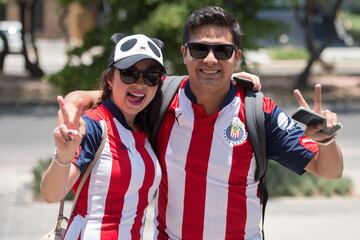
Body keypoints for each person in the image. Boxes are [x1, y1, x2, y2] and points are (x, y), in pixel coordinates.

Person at [59, 6, 343, 240]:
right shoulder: (162, 99)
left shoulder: (259, 111)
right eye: (199, 49)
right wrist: (76, 98)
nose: (210, 59)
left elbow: (329, 170)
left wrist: (326, 138)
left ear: (236, 57)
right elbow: (125, 95)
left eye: (222, 51)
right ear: (184, 53)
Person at [41, 33, 167, 239]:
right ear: (110, 78)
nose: (140, 83)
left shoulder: (144, 126)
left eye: (150, 76)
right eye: (129, 74)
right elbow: (51, 194)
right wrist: (64, 156)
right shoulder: (93, 126)